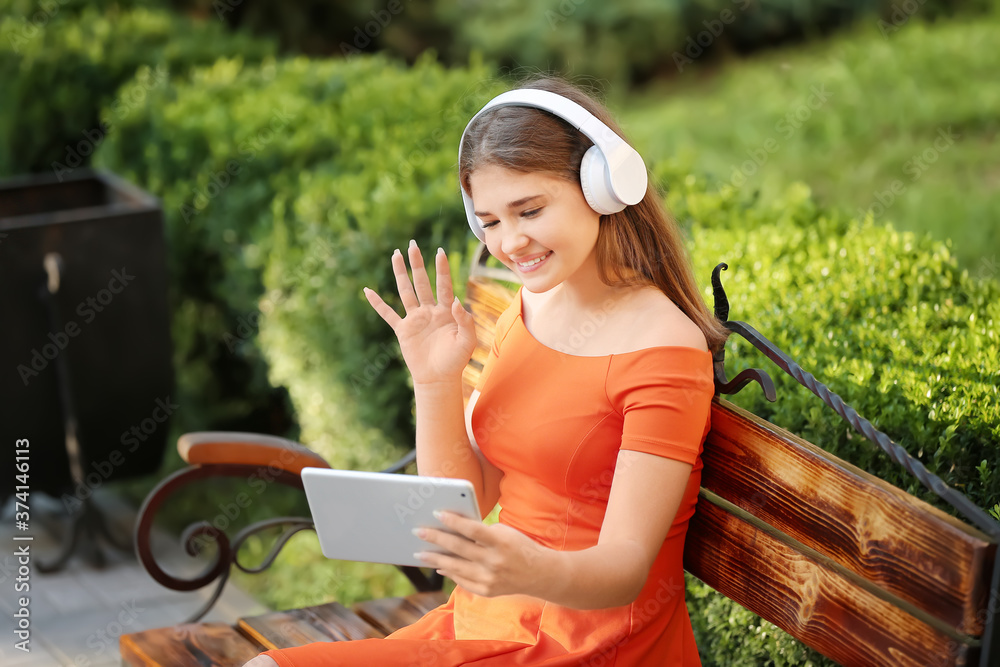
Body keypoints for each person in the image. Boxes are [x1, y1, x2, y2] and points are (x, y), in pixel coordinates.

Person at [244, 74, 730, 667]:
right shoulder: (526, 311)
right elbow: (467, 497)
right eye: (491, 221)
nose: (511, 242)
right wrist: (435, 381)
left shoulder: (662, 350)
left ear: (604, 186)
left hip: (591, 645)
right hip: (485, 620)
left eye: (530, 210)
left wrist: (532, 568)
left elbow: (626, 568)